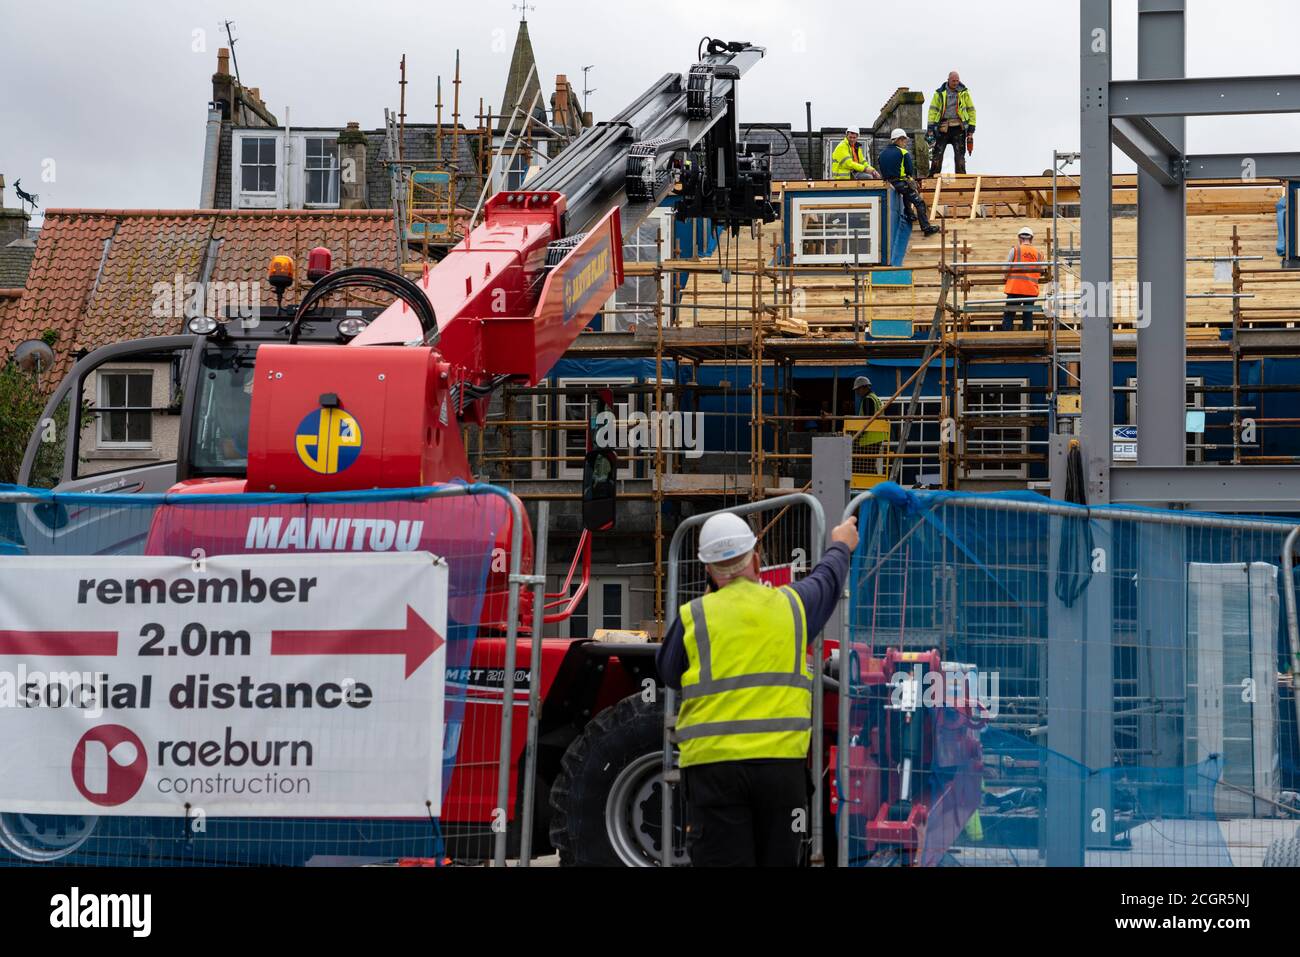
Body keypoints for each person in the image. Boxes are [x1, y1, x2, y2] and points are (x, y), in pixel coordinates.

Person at [656, 510, 861, 867]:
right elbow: (828, 578)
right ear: (755, 559)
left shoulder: (694, 615)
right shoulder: (792, 606)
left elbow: (670, 672)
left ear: (708, 569)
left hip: (713, 770)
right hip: (780, 771)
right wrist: (841, 544)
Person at [878, 129, 940, 237]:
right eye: (904, 141)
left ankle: (910, 215)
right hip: (900, 182)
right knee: (919, 203)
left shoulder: (881, 154)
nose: (905, 143)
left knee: (907, 195)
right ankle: (926, 228)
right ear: (899, 140)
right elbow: (909, 170)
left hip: (888, 185)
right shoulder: (903, 152)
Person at [927, 72, 977, 175]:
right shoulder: (939, 93)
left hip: (959, 127)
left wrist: (971, 129)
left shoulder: (964, 92)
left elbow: (971, 110)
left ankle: (961, 178)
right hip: (943, 127)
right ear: (948, 80)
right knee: (937, 154)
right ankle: (933, 177)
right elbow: (933, 111)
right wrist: (930, 129)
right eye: (953, 81)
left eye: (957, 81)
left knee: (960, 156)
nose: (955, 83)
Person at [1001, 227, 1042, 332]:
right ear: (1031, 238)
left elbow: (1006, 268)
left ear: (1019, 238)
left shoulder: (1015, 250)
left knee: (1009, 314)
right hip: (1031, 290)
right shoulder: (1038, 253)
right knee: (1028, 315)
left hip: (1015, 288)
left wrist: (1005, 278)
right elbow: (1040, 271)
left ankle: (1006, 337)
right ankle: (1028, 337)